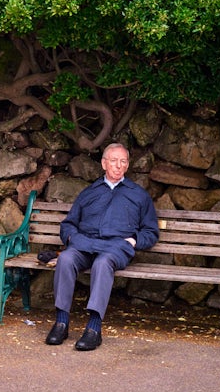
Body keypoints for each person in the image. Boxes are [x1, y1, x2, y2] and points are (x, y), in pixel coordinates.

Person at [45, 143, 159, 351]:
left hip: (115, 248)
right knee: (66, 258)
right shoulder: (90, 192)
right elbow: (69, 224)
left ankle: (94, 329)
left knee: (102, 262)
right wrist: (72, 239)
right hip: (85, 245)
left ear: (127, 165)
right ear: (104, 163)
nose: (118, 165)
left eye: (123, 161)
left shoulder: (138, 195)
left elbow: (151, 232)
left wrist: (133, 241)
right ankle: (61, 322)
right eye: (113, 161)